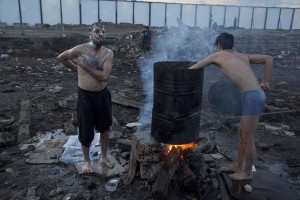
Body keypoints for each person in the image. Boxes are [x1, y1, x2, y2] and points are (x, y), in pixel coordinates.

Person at [189, 32, 273, 180]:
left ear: (219, 46)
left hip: (252, 96)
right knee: (243, 133)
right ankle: (237, 164)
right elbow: (268, 59)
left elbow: (193, 68)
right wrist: (265, 81)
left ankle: (247, 173)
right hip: (254, 95)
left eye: (216, 47)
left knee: (248, 137)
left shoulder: (217, 55)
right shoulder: (243, 55)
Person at [57, 21, 115, 173]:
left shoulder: (108, 53)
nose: (100, 34)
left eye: (103, 32)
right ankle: (86, 161)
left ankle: (103, 156)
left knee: (104, 128)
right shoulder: (81, 49)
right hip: (85, 96)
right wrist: (77, 68)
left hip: (102, 95)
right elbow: (61, 57)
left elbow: (104, 77)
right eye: (97, 31)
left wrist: (84, 67)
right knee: (85, 130)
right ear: (90, 33)